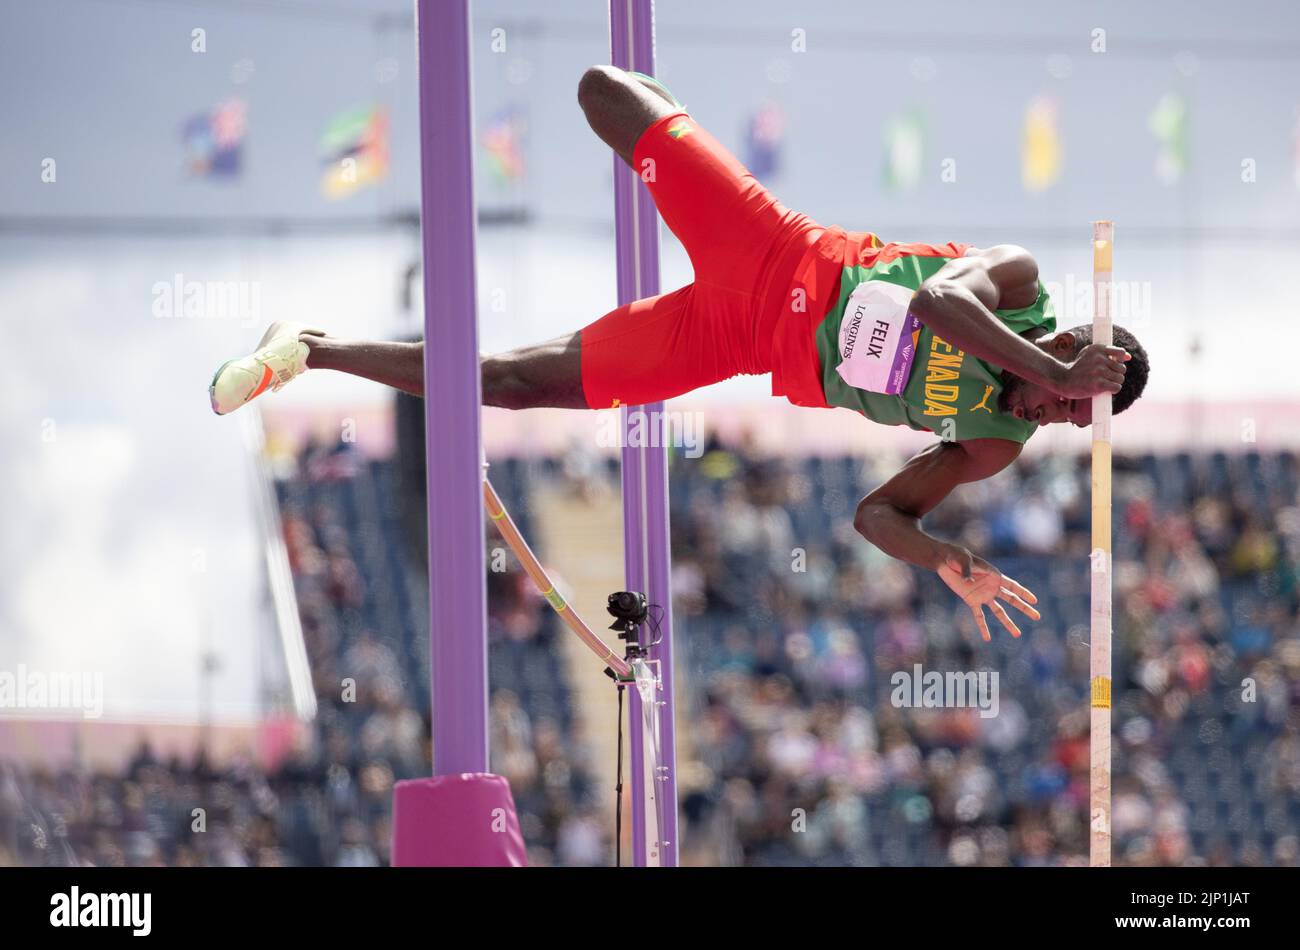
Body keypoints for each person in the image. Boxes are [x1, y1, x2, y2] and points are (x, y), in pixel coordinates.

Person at [210, 66, 1149, 642]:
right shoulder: (1018, 287)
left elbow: (874, 515)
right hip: (772, 248)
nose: (1056, 417)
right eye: (1070, 400)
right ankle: (677, 126)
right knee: (600, 93)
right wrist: (1060, 375)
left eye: (1073, 421)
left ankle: (310, 350)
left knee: (511, 384)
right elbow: (942, 302)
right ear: (1068, 345)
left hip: (733, 341)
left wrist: (942, 555)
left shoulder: (993, 444)